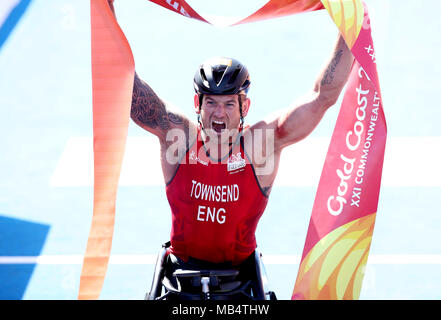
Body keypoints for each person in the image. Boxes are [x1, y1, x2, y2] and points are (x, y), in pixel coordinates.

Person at [107, 0, 354, 298]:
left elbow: (323, 95)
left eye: (228, 104)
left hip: (240, 286)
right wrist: (104, 8)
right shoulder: (179, 137)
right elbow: (124, 84)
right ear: (198, 105)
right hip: (179, 282)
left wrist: (351, 25)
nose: (219, 114)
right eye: (210, 102)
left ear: (244, 106)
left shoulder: (261, 145)